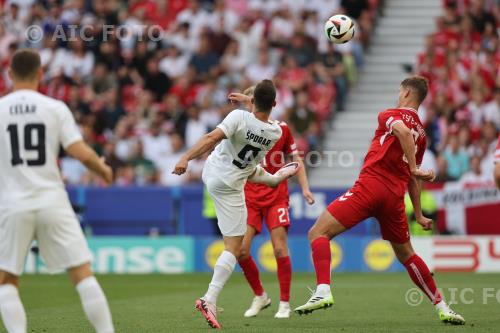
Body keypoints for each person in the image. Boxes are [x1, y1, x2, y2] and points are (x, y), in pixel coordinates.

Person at [294, 76, 465, 325]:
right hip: (394, 198)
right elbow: (411, 177)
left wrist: (415, 168)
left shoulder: (389, 114)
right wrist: (417, 213)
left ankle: (322, 291)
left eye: (399, 90)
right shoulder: (422, 136)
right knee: (407, 255)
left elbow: (403, 133)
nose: (398, 94)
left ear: (407, 93)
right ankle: (442, 306)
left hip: (370, 187)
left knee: (317, 233)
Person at [0, 49, 115, 333]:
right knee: (82, 274)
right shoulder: (54, 108)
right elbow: (80, 152)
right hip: (52, 199)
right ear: (41, 74)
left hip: (12, 203)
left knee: (6, 280)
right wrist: (103, 171)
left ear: (9, 74)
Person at [172, 79, 300, 329]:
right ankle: (209, 298)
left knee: (237, 244)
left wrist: (185, 157)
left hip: (212, 172)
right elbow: (251, 165)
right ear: (274, 104)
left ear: (253, 100)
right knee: (234, 247)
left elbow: (211, 138)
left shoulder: (238, 117)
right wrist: (273, 178)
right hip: (230, 185)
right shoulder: (275, 132)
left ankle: (250, 296)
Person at [228, 87, 315, 319]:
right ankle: (260, 296)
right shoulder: (240, 126)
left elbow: (297, 160)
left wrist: (305, 188)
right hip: (250, 197)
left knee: (278, 248)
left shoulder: (281, 129)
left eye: (253, 101)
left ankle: (284, 303)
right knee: (241, 251)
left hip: (276, 195)